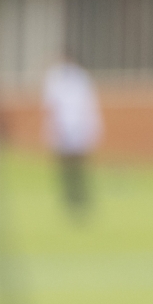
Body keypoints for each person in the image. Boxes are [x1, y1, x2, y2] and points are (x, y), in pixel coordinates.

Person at [43, 52, 101, 219]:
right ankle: (68, 198)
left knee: (79, 167)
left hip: (79, 128)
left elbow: (88, 104)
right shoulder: (54, 78)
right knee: (65, 168)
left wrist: (90, 129)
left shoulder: (80, 78)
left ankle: (80, 198)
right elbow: (50, 105)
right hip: (62, 128)